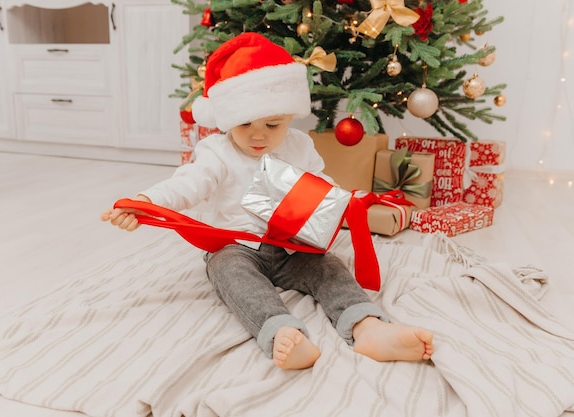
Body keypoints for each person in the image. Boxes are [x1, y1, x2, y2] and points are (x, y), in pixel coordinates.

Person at [101, 32, 434, 370]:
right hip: (237, 246)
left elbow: (319, 184)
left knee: (330, 268)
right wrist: (145, 201)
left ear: (290, 116)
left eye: (272, 125)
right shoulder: (217, 151)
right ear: (227, 118)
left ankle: (367, 327)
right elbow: (188, 183)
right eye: (244, 124)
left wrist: (341, 201)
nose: (258, 135)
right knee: (228, 272)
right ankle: (281, 331)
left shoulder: (300, 146)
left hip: (292, 246)